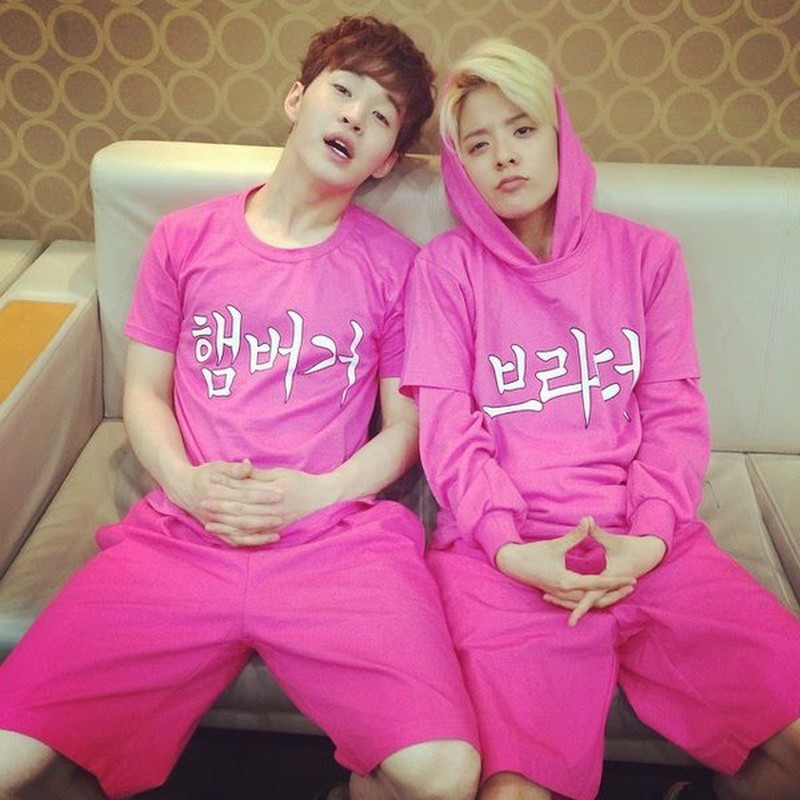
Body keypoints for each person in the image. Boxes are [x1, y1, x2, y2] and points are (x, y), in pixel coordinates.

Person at [0, 16, 481, 800]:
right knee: (10, 757)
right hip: (184, 535)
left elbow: (406, 428)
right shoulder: (183, 239)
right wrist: (186, 483)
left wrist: (318, 493)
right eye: (343, 90)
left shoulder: (397, 266)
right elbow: (143, 392)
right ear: (297, 99)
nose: (355, 116)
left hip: (336, 543)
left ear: (387, 159)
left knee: (447, 776)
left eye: (381, 116)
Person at [401, 38, 800, 800]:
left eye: (522, 129)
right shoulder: (446, 272)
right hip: (503, 557)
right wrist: (514, 551)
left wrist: (646, 540)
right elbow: (447, 435)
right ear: (459, 168)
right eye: (478, 145)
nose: (504, 157)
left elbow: (674, 417)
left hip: (648, 543)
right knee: (516, 789)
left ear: (559, 132)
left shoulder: (648, 258)